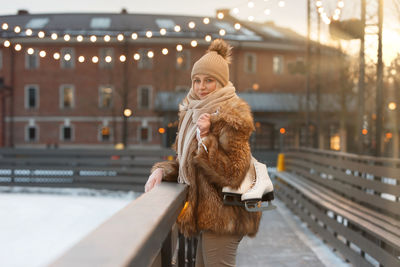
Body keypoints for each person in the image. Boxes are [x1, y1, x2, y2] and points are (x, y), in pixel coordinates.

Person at [145, 39, 261, 267]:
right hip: (210, 216)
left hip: (226, 216)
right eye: (197, 80)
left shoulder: (230, 117)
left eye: (209, 80)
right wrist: (161, 171)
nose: (201, 87)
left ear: (222, 82)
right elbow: (188, 164)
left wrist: (207, 139)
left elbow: (233, 173)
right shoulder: (193, 114)